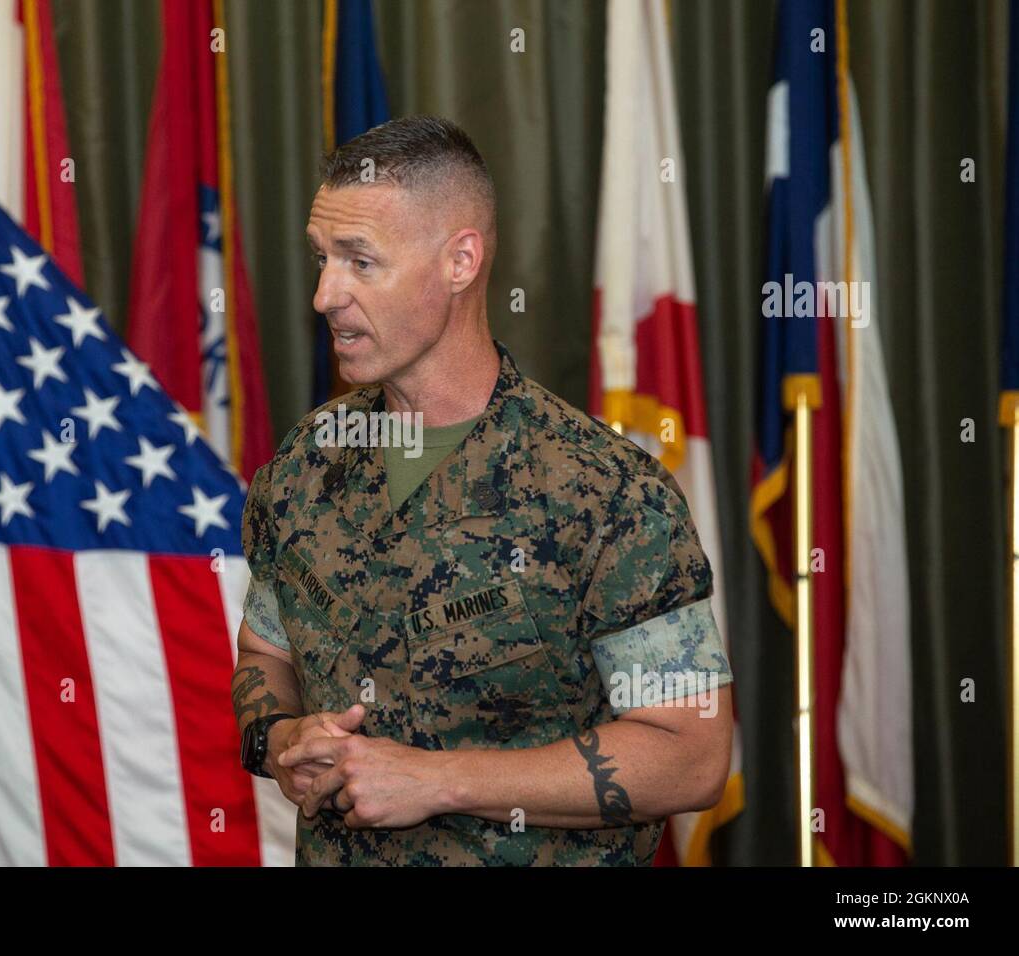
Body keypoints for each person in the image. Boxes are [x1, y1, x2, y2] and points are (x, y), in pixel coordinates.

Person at [231, 115, 733, 866]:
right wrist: (280, 740)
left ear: (460, 261)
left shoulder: (604, 493)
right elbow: (262, 653)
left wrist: (437, 781)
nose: (325, 295)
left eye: (360, 262)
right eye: (322, 259)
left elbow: (691, 754)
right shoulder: (309, 460)